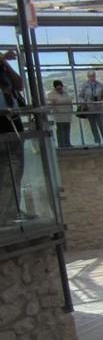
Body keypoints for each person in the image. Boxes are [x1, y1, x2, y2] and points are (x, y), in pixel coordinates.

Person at [0, 50, 25, 225]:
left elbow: (19, 84)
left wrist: (5, 64)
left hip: (13, 123)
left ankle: (13, 210)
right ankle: (5, 215)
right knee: (6, 173)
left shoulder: (3, 69)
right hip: (2, 124)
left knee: (16, 171)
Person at [78, 71, 103, 147]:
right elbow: (80, 96)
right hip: (89, 109)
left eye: (93, 76)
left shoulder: (100, 85)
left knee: (101, 125)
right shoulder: (85, 85)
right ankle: (97, 142)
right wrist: (83, 103)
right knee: (93, 126)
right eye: (90, 76)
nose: (92, 77)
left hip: (99, 108)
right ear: (88, 77)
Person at [46, 79, 73, 148]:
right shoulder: (51, 94)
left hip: (67, 114)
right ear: (55, 88)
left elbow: (70, 102)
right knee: (60, 130)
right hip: (59, 115)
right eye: (58, 89)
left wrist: (71, 110)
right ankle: (61, 145)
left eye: (61, 88)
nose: (60, 90)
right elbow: (51, 105)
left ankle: (68, 143)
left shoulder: (65, 93)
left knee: (67, 129)